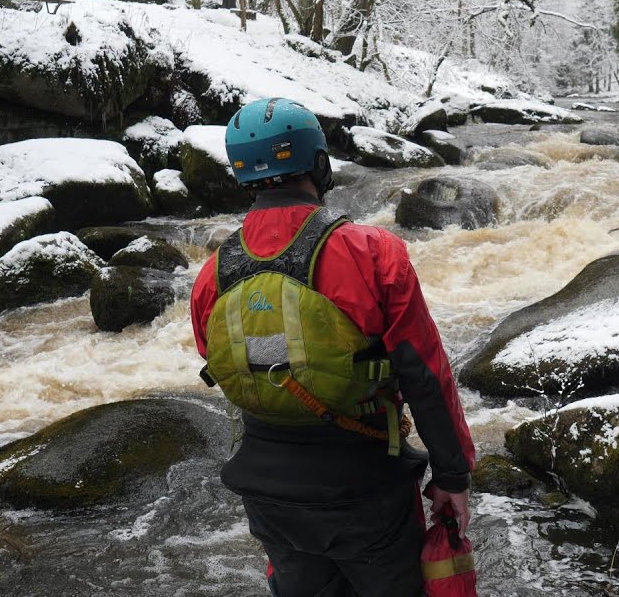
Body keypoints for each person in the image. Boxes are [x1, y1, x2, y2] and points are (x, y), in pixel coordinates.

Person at [190, 97, 475, 597]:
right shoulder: (373, 252)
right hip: (366, 494)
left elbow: (223, 364)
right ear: (318, 165)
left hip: (265, 495)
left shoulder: (212, 274)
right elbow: (425, 374)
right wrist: (451, 475)